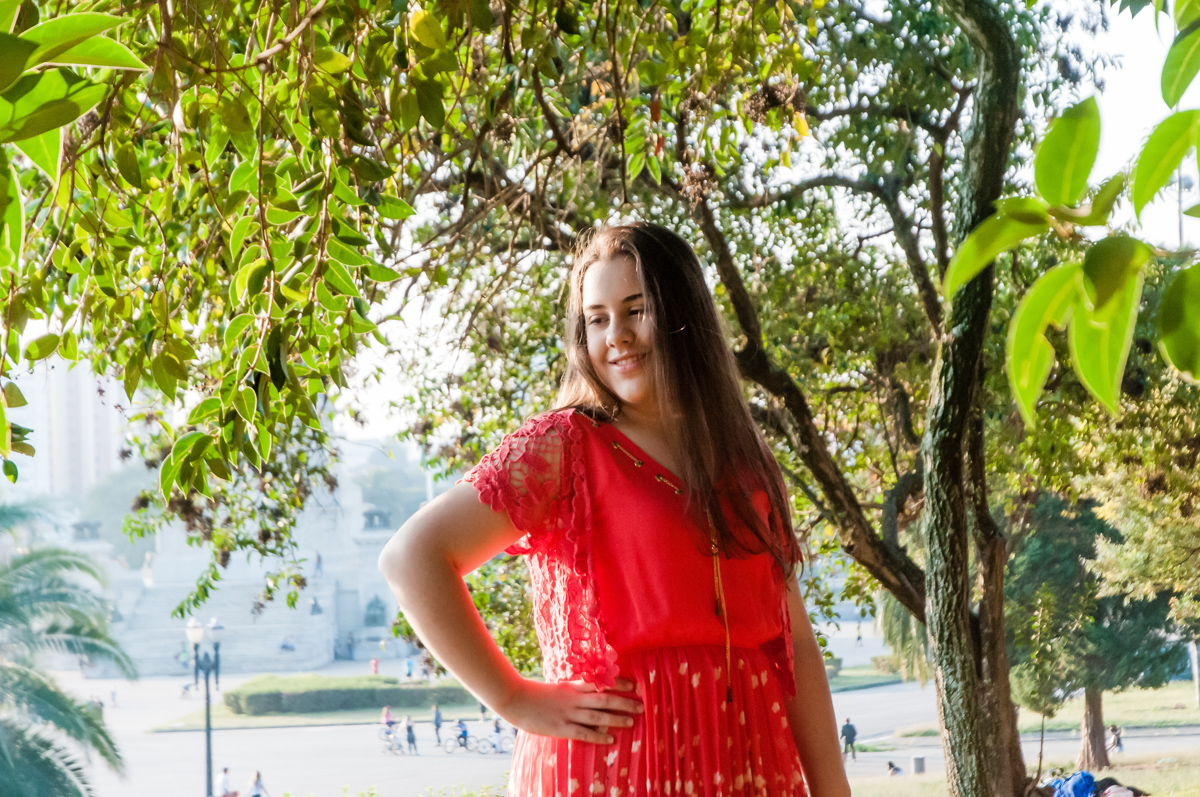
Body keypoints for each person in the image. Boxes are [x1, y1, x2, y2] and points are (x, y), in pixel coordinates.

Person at [379, 223, 851, 796]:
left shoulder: (745, 457)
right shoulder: (563, 447)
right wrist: (512, 696)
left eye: (636, 310)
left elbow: (793, 640)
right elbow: (411, 557)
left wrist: (833, 789)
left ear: (685, 315)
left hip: (747, 760)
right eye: (597, 318)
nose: (617, 336)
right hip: (614, 766)